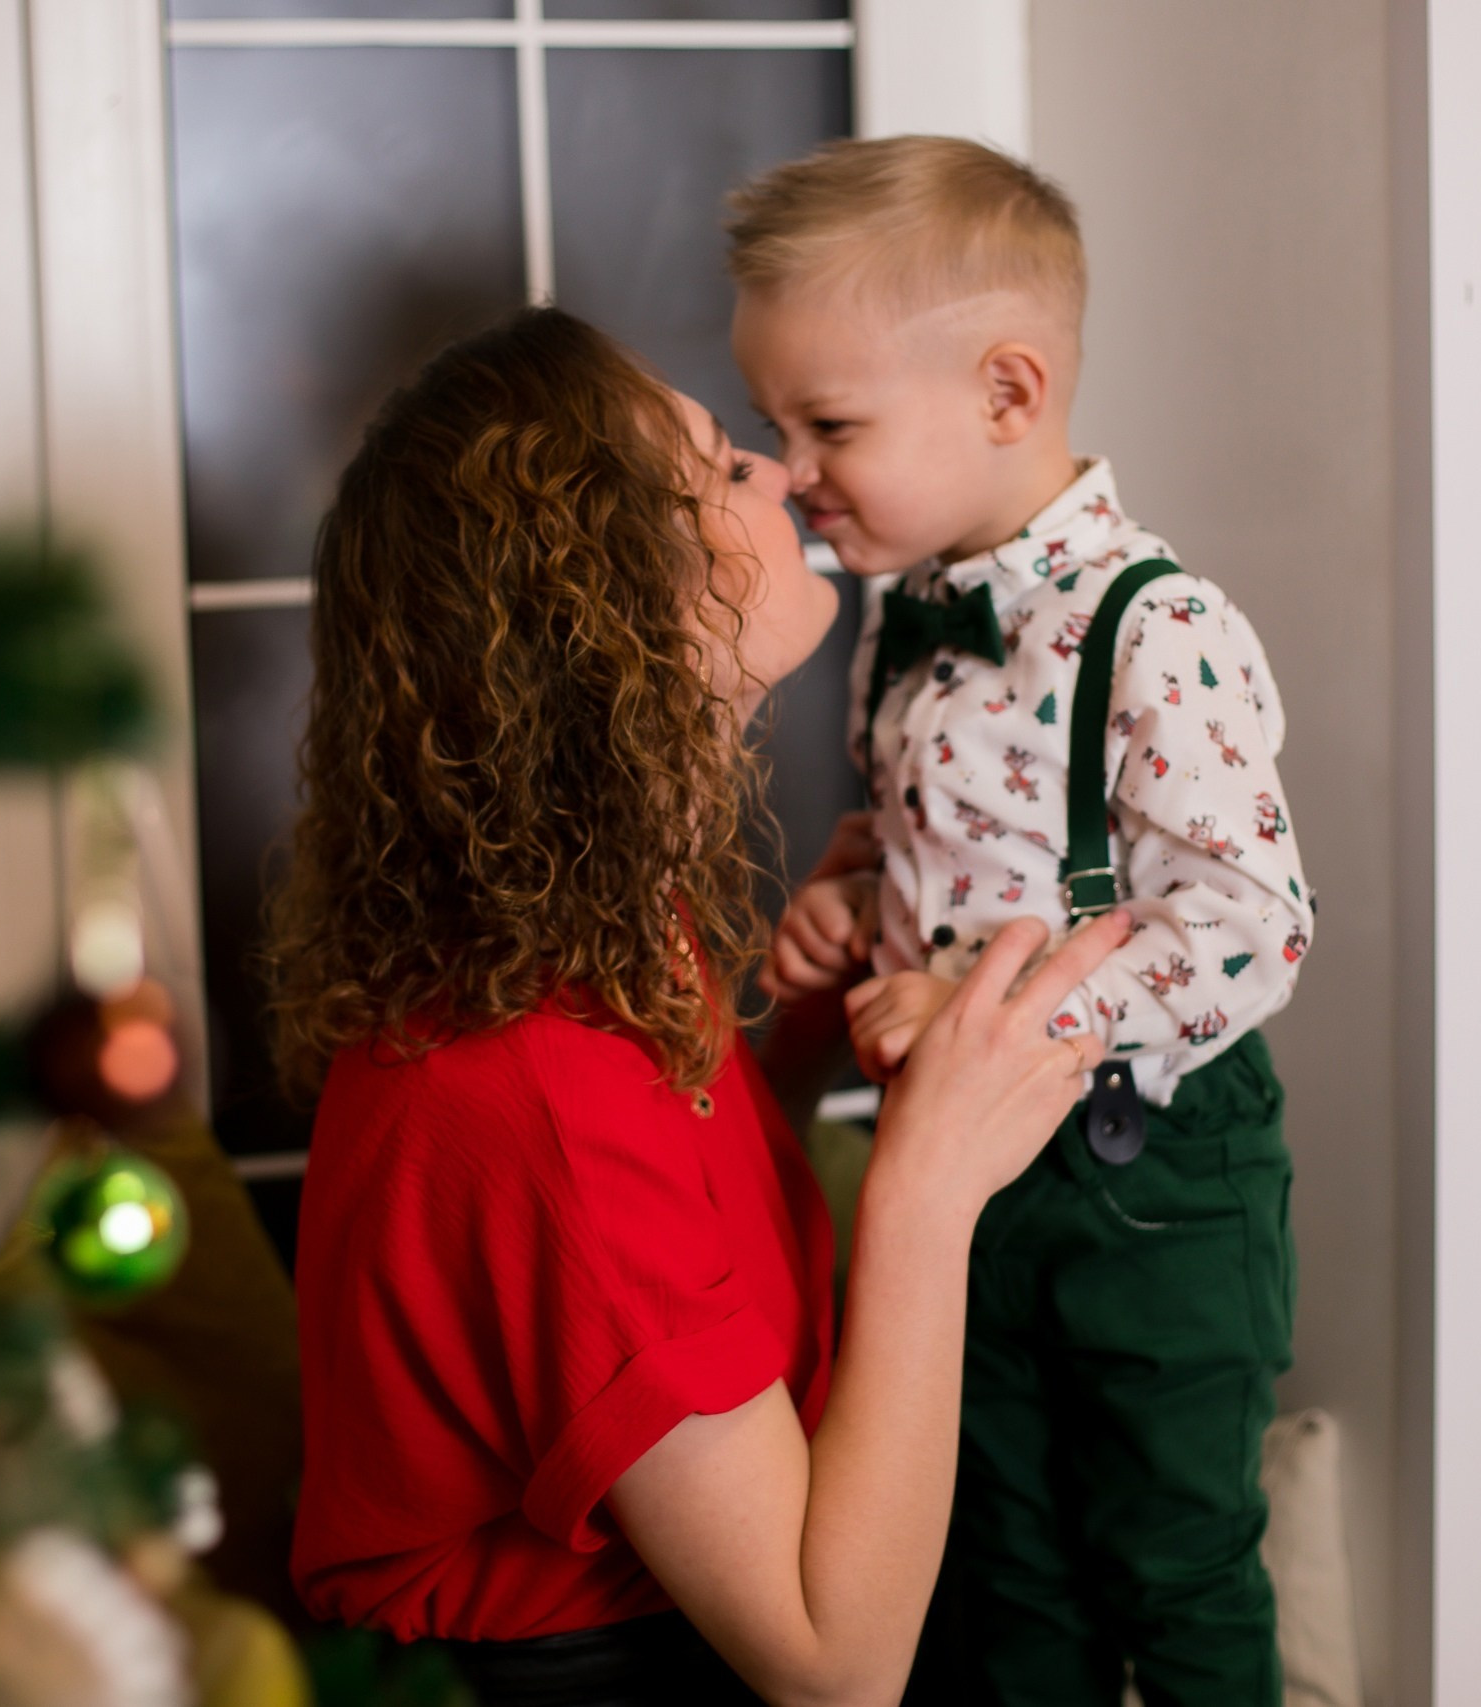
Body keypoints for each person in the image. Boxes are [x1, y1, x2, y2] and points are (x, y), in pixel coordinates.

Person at [268, 306, 1134, 1707]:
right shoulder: (543, 1087)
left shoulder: (582, 929)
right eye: (722, 467)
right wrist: (928, 1187)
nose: (783, 473)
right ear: (621, 601)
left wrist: (792, 1043)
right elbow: (832, 1667)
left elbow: (651, 1266)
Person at [729, 136, 1318, 1706]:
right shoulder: (899, 625)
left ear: (1007, 392)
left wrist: (1018, 1018)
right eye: (775, 428)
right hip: (959, 1180)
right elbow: (951, 854)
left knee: (1174, 1561)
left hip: (1149, 1175)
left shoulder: (1157, 627)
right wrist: (855, 907)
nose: (790, 471)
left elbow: (1254, 924)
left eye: (828, 425)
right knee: (1003, 1567)